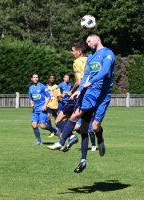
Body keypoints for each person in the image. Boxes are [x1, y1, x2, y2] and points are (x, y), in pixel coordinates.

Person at [57, 33, 115, 173]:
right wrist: (81, 89)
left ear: (97, 39)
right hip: (91, 92)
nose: (88, 43)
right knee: (79, 121)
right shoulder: (90, 57)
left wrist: (90, 81)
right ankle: (65, 142)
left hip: (104, 93)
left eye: (89, 41)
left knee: (95, 127)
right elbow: (86, 75)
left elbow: (105, 70)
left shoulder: (108, 53)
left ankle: (99, 139)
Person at [47, 41, 88, 150]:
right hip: (90, 94)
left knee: (58, 120)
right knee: (79, 123)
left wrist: (71, 91)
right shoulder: (90, 60)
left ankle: (71, 137)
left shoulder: (77, 62)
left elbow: (79, 81)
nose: (72, 53)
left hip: (79, 94)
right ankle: (70, 140)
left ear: (79, 52)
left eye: (73, 51)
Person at [28, 73, 58, 145]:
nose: (35, 78)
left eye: (37, 77)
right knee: (34, 125)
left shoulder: (42, 86)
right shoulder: (30, 88)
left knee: (42, 126)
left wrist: (45, 105)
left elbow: (48, 96)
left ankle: (55, 130)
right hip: (35, 110)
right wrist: (31, 103)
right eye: (34, 77)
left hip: (42, 109)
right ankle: (39, 141)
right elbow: (30, 98)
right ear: (31, 79)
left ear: (38, 78)